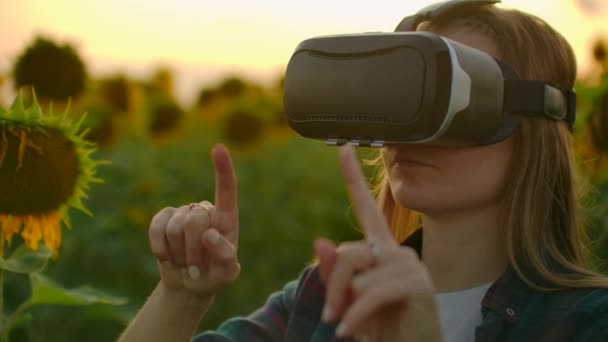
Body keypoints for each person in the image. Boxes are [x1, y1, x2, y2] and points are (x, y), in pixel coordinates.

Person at [118, 1, 608, 341]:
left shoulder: (586, 324)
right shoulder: (328, 297)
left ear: (536, 125)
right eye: (401, 97)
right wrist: (181, 296)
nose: (411, 133)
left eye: (448, 101)